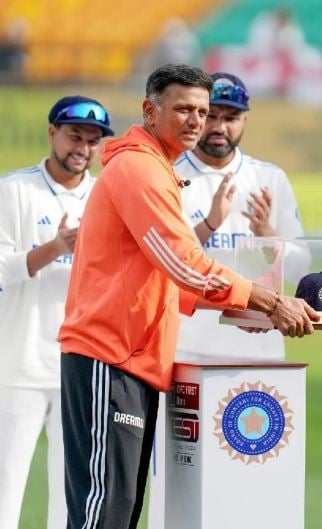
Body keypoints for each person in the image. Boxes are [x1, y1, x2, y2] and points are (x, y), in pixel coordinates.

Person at [57, 64, 318, 529]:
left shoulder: (154, 167)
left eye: (203, 110)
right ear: (149, 111)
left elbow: (168, 278)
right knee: (105, 514)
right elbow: (183, 263)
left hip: (129, 359)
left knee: (118, 510)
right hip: (110, 357)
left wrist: (242, 306)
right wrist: (269, 303)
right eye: (184, 109)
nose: (197, 121)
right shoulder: (140, 169)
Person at [145, 70, 308, 528]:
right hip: (185, 349)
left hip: (256, 349)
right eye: (210, 114)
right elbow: (164, 261)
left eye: (230, 116)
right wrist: (210, 225)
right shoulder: (169, 174)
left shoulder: (268, 178)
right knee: (177, 478)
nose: (219, 126)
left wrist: (269, 237)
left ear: (245, 119)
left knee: (255, 467)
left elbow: (300, 263)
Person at [0, 95, 113, 529]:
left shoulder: (106, 195)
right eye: (73, 135)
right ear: (52, 133)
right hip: (18, 367)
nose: (82, 147)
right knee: (6, 490)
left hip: (80, 368)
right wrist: (55, 249)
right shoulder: (14, 190)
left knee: (72, 496)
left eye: (92, 139)